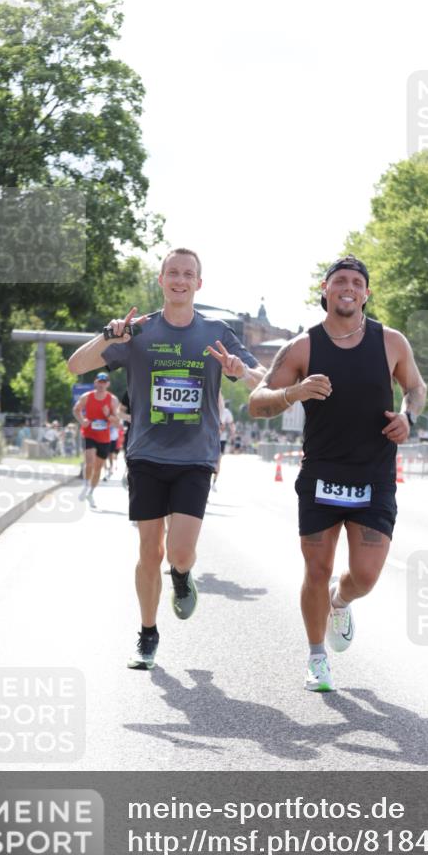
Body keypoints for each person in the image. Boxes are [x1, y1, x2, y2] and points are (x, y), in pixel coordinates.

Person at [67, 247, 265, 670]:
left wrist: (239, 370)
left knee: (179, 552)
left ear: (199, 283)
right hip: (146, 455)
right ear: (161, 280)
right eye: (172, 272)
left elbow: (262, 381)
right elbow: (74, 365)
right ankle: (147, 633)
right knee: (149, 550)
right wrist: (108, 336)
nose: (180, 280)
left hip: (195, 457)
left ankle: (181, 575)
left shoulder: (216, 332)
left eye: (188, 274)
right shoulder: (138, 331)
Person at [249, 255, 427, 692]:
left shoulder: (391, 342)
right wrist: (294, 392)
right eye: (340, 281)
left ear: (366, 294)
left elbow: (416, 388)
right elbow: (257, 402)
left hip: (374, 474)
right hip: (322, 473)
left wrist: (408, 416)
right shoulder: (303, 346)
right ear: (325, 290)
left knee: (365, 575)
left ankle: (340, 601)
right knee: (317, 567)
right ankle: (316, 657)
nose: (348, 287)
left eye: (356, 283)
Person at [72, 372, 121, 508]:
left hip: (104, 437)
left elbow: (117, 421)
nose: (101, 385)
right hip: (89, 434)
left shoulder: (112, 400)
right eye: (99, 382)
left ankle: (91, 493)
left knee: (98, 468)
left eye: (104, 382)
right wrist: (82, 421)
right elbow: (76, 409)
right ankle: (85, 485)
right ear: (95, 382)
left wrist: (108, 415)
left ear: (108, 384)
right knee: (90, 462)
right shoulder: (87, 397)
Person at [212, 396, 235, 491]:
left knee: (218, 461)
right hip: (210, 438)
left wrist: (233, 436)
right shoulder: (211, 407)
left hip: (221, 440)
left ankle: (214, 482)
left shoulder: (226, 412)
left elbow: (231, 425)